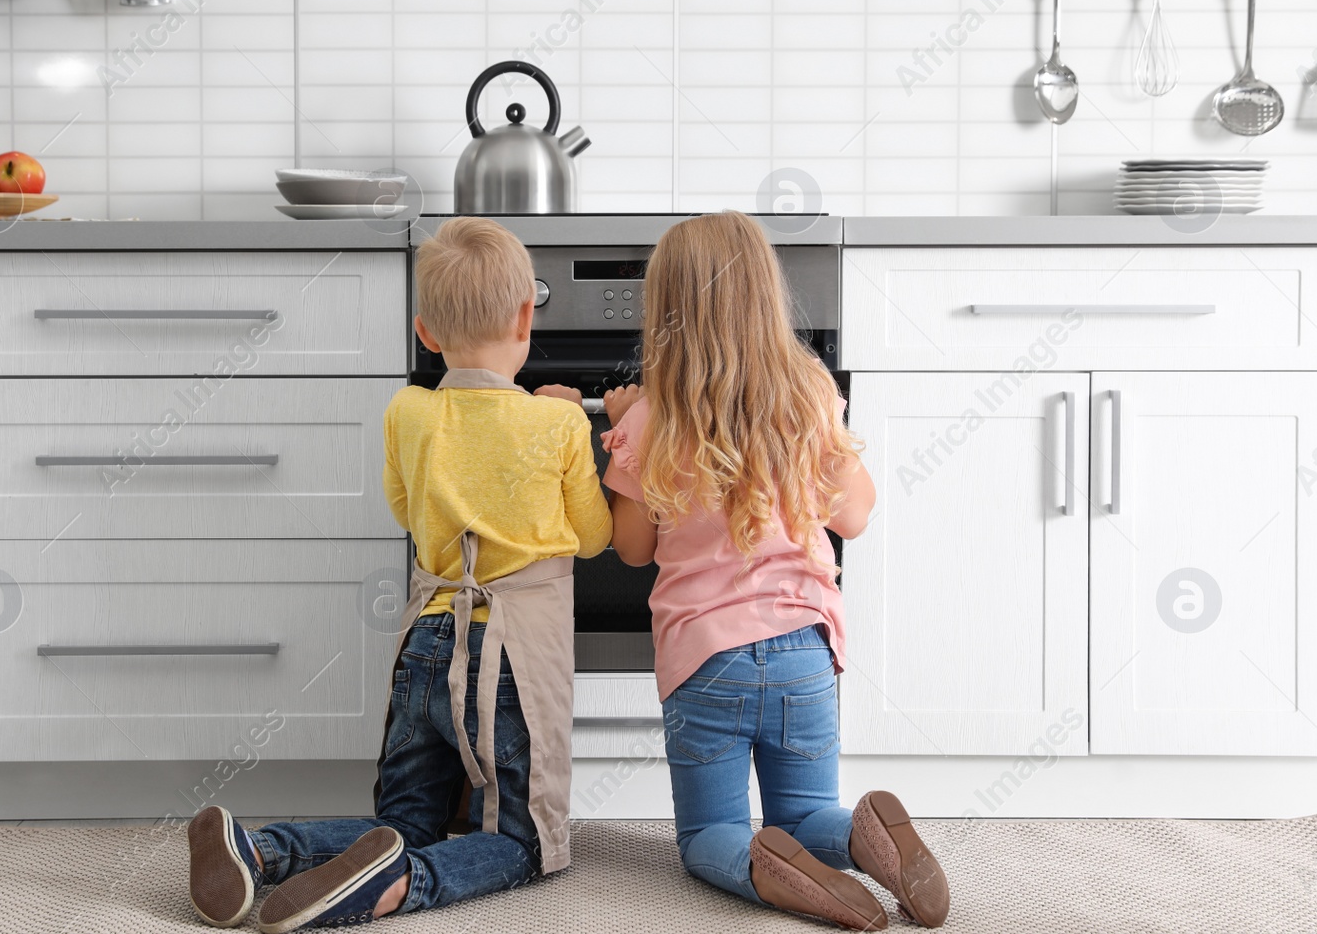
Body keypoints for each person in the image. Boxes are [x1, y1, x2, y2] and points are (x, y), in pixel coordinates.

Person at [187, 216, 611, 931]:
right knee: (524, 842)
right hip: (510, 662)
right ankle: (395, 886)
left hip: (425, 641)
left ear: (425, 331)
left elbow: (404, 508)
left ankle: (260, 849)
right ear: (524, 316)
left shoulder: (407, 410)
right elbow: (596, 537)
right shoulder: (557, 425)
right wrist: (564, 416)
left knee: (405, 817)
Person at [600, 210, 949, 931]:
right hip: (804, 652)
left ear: (664, 311)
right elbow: (853, 515)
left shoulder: (652, 417)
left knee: (707, 836)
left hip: (706, 661)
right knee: (809, 811)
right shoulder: (808, 394)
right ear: (766, 294)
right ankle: (860, 835)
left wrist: (620, 438)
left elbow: (631, 547)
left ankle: (774, 873)